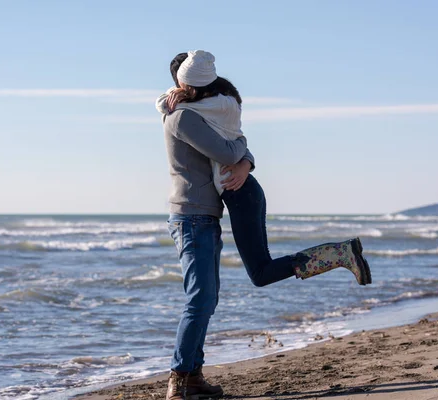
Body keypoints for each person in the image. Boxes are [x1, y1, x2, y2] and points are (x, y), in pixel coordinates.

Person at [158, 51, 371, 400]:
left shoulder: (200, 113)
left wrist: (246, 160)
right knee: (203, 298)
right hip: (191, 216)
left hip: (206, 215)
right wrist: (245, 156)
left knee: (207, 299)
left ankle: (191, 376)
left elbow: (231, 145)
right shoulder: (182, 118)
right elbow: (230, 151)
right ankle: (180, 380)